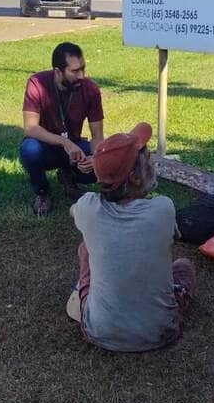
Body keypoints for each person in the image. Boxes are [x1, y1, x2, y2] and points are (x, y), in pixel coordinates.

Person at [68, 122, 197, 351]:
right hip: (160, 332)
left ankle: (84, 295)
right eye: (148, 159)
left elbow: (75, 211)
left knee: (85, 248)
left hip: (99, 331)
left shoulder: (88, 208)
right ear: (136, 179)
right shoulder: (163, 209)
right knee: (184, 266)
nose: (152, 163)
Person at [20, 42, 104, 216]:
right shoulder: (37, 83)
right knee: (29, 149)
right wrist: (64, 142)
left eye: (83, 68)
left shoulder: (91, 89)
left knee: (104, 162)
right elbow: (30, 128)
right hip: (47, 146)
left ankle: (68, 176)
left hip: (75, 148)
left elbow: (97, 136)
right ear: (58, 72)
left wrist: (95, 158)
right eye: (75, 71)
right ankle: (43, 193)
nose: (81, 75)